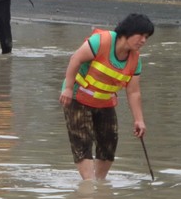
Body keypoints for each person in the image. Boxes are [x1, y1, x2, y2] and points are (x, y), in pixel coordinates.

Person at [59, 13, 154, 182]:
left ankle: (99, 182)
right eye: (141, 35)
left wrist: (139, 120)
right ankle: (89, 184)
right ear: (128, 31)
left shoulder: (135, 60)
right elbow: (76, 59)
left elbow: (133, 92)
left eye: (146, 37)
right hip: (77, 96)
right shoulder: (101, 42)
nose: (143, 40)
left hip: (105, 101)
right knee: (82, 141)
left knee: (109, 142)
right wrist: (67, 88)